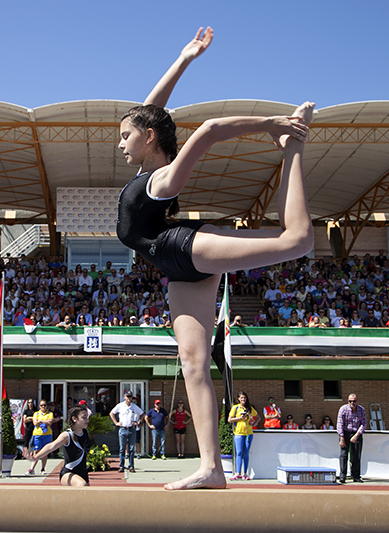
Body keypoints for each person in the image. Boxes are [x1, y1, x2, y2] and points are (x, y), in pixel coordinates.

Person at [115, 27, 313, 490]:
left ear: (147, 139)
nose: (119, 143)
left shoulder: (160, 181)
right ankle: (212, 468)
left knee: (296, 241)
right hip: (174, 271)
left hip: (183, 248)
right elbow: (151, 112)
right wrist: (183, 60)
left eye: (125, 137)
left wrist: (275, 125)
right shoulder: (145, 164)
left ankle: (295, 149)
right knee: (193, 364)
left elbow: (208, 131)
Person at [23, 406, 91, 486]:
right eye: (84, 417)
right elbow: (51, 446)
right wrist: (35, 458)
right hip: (68, 473)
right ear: (74, 419)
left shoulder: (85, 433)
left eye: (87, 417)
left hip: (82, 473)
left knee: (85, 494)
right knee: (81, 485)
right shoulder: (67, 435)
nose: (87, 420)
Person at [109, 390, 144, 473]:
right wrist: (116, 423)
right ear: (124, 397)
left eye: (130, 397)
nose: (129, 398)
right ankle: (121, 466)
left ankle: (131, 466)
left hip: (131, 429)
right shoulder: (120, 405)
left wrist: (138, 422)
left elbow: (142, 414)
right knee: (122, 449)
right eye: (127, 396)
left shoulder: (134, 406)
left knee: (132, 449)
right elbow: (112, 413)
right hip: (123, 429)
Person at [227, 391, 258, 481]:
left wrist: (253, 423)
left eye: (244, 398)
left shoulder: (249, 408)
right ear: (238, 399)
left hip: (248, 433)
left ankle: (245, 473)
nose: (243, 399)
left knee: (246, 452)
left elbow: (258, 417)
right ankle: (238, 473)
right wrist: (240, 418)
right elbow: (230, 419)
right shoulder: (235, 408)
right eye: (241, 398)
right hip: (238, 433)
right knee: (239, 452)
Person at [337, 393, 366, 484]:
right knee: (343, 455)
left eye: (354, 401)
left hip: (356, 433)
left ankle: (356, 476)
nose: (352, 403)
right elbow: (339, 424)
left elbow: (364, 424)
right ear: (347, 401)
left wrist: (356, 435)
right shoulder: (343, 409)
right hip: (345, 433)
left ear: (357, 401)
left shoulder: (361, 410)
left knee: (356, 455)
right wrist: (342, 437)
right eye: (350, 401)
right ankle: (343, 476)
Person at [26, 399, 57, 475]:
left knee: (45, 452)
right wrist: (42, 421)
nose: (43, 407)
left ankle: (43, 469)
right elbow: (35, 423)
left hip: (47, 435)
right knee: (36, 451)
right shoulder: (36, 414)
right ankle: (32, 469)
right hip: (38, 434)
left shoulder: (50, 413)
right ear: (39, 406)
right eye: (41, 405)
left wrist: (41, 421)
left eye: (45, 405)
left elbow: (50, 422)